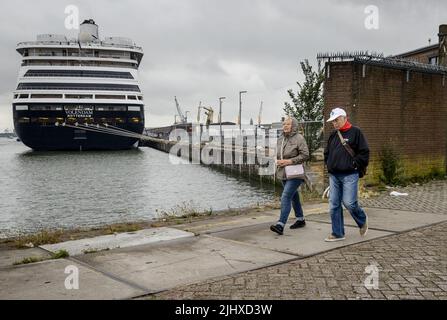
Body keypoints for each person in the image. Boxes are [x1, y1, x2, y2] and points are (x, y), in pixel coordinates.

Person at [324, 107, 369, 242]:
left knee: (349, 202)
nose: (334, 123)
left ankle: (362, 219)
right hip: (334, 175)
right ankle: (338, 233)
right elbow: (327, 152)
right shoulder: (333, 135)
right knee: (334, 205)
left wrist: (354, 164)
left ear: (344, 118)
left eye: (336, 120)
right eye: (332, 121)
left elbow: (364, 152)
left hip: (350, 174)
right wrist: (329, 164)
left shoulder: (356, 132)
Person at [270, 117, 309, 235]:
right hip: (283, 172)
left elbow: (305, 155)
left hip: (295, 173)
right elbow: (278, 153)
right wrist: (277, 160)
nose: (285, 126)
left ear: (294, 126)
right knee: (294, 196)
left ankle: (280, 225)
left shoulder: (299, 138)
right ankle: (300, 219)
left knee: (285, 196)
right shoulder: (280, 138)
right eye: (284, 124)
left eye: (288, 124)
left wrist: (289, 161)